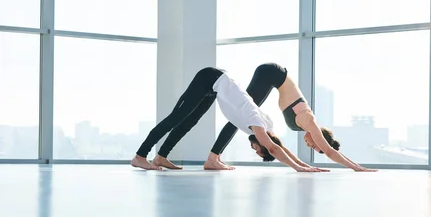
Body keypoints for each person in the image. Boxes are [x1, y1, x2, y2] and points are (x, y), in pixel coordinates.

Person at [131, 67, 326, 173]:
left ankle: (161, 157)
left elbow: (279, 146)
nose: (254, 149)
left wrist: (306, 165)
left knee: (189, 122)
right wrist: (300, 169)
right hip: (209, 78)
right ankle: (140, 156)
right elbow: (274, 148)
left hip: (214, 87)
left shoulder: (267, 127)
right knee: (176, 118)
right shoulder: (256, 121)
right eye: (259, 149)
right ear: (263, 142)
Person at [205, 63, 377, 172]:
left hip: (272, 76)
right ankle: (213, 158)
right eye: (315, 145)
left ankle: (214, 158)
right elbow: (331, 151)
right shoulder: (308, 121)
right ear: (320, 138)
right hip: (272, 73)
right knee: (239, 115)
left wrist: (304, 166)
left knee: (240, 116)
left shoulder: (304, 125)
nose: (309, 145)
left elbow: (279, 146)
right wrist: (356, 167)